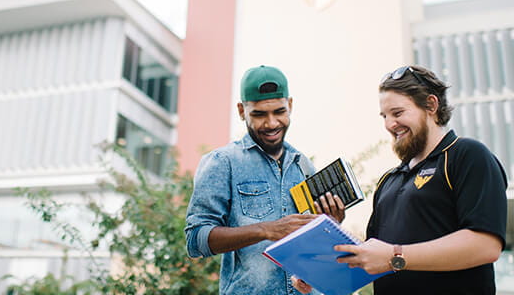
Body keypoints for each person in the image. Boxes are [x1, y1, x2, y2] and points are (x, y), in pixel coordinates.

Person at [293, 65, 508, 295]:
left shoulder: (467, 155)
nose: (389, 124)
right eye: (384, 116)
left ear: (431, 105)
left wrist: (396, 256)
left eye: (397, 113)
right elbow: (374, 258)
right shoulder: (389, 180)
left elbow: (485, 246)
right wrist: (320, 270)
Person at [185, 65, 345, 295]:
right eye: (259, 114)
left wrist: (329, 226)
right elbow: (195, 241)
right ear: (241, 111)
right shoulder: (222, 162)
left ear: (290, 105)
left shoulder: (304, 165)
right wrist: (266, 230)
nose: (271, 124)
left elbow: (313, 252)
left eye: (279, 111)